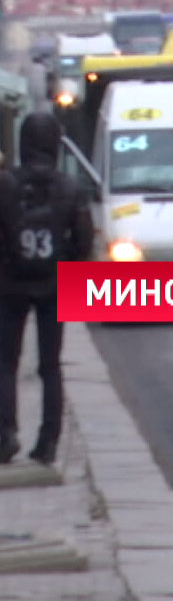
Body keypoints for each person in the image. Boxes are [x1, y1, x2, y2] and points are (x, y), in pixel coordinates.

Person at [0, 111, 90, 467]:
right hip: (55, 284)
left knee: (5, 362)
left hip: (9, 283)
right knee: (50, 365)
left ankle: (5, 433)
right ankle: (48, 440)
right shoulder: (70, 187)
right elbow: (83, 240)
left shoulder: (5, 184)